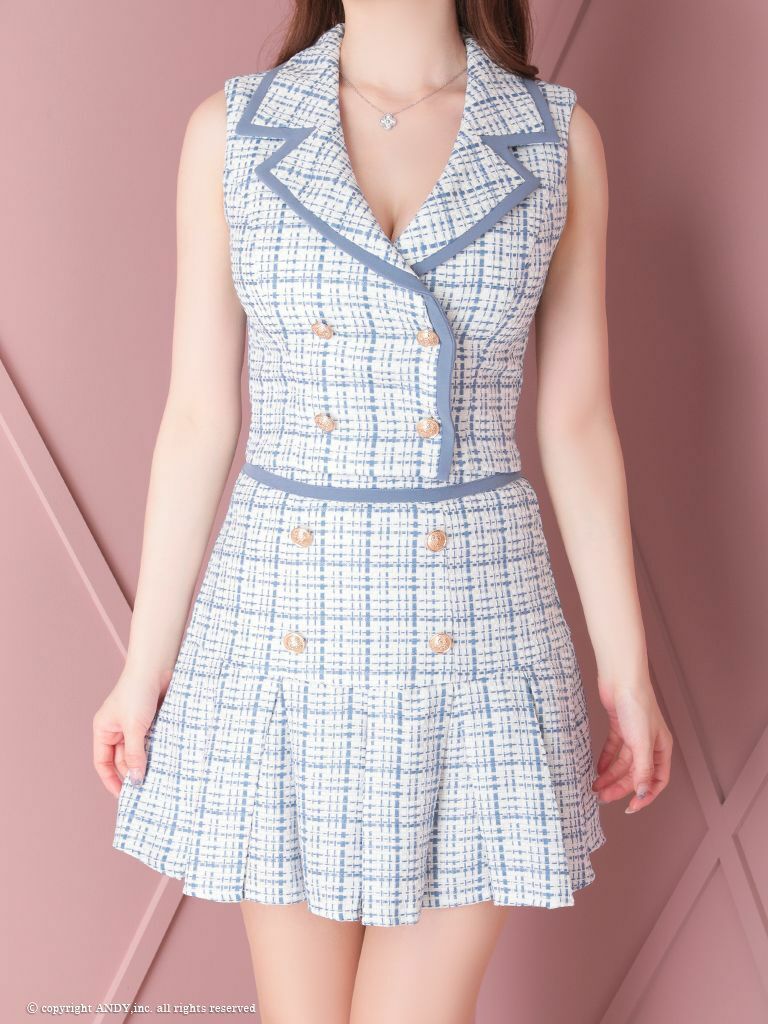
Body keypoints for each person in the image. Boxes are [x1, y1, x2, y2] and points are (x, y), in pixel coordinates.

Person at [93, 2, 673, 1021]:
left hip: (477, 634)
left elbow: (578, 422)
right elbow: (197, 419)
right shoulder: (234, 131)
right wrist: (143, 672)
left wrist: (627, 668)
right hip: (283, 628)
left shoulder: (555, 140)